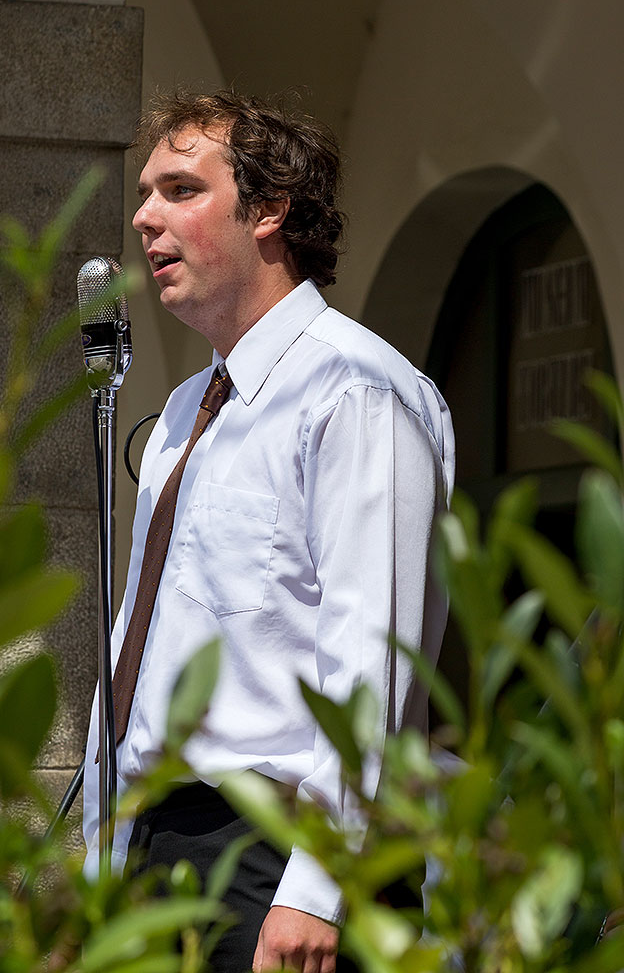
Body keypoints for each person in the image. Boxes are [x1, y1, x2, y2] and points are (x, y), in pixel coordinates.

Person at [82, 90, 455, 972]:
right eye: (144, 194)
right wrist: (101, 860)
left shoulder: (354, 392)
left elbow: (374, 660)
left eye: (180, 189)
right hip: (158, 856)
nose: (144, 218)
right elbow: (149, 638)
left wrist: (315, 888)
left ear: (270, 209)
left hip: (274, 862)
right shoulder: (181, 411)